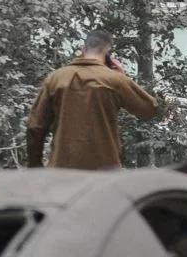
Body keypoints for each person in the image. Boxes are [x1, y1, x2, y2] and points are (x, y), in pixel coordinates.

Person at [26, 30, 159, 170]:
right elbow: (149, 109)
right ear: (108, 53)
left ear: (83, 49)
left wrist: (35, 166)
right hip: (104, 172)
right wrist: (122, 77)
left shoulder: (55, 78)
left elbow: (35, 126)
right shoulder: (115, 80)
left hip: (62, 170)